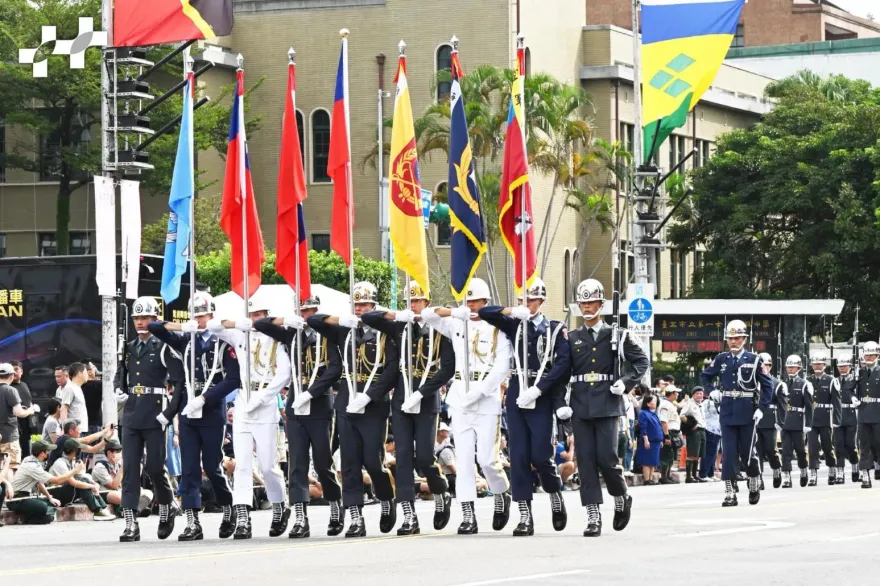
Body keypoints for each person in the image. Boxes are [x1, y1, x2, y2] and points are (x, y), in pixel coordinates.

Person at [477, 277, 570, 536]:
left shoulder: (554, 328)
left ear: (541, 300)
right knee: (517, 457)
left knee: (541, 456)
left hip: (541, 392)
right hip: (518, 389)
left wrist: (539, 389)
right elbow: (485, 312)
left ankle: (554, 494)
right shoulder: (514, 325)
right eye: (523, 300)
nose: (527, 304)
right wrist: (510, 310)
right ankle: (525, 515)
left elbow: (562, 364)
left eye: (531, 299)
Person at [421, 277, 513, 535]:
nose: (472, 306)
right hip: (460, 396)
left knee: (487, 460)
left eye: (476, 301)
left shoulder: (499, 330)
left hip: (486, 399)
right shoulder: (456, 323)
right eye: (468, 301)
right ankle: (468, 514)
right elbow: (428, 314)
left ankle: (501, 493)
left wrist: (481, 392)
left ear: (486, 302)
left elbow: (502, 367)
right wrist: (453, 311)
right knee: (463, 462)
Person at [362, 281, 454, 535]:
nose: (413, 305)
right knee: (402, 458)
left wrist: (423, 392)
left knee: (424, 457)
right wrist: (395, 315)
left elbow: (447, 368)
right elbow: (370, 316)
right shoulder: (400, 326)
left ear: (427, 301)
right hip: (402, 401)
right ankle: (408, 515)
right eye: (409, 301)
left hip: (425, 401)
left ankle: (440, 491)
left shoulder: (439, 329)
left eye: (418, 301)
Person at [308, 281, 398, 538]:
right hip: (347, 402)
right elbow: (314, 321)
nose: (360, 309)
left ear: (373, 305)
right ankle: (355, 516)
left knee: (373, 461)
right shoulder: (345, 330)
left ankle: (385, 498)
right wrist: (342, 319)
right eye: (356, 305)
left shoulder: (385, 333)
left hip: (373, 405)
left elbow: (391, 369)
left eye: (365, 305)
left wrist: (371, 396)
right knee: (349, 463)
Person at [149, 291, 241, 542]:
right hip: (189, 412)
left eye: (203, 315)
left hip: (211, 410)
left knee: (212, 465)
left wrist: (206, 398)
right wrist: (181, 326)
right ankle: (193, 522)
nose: (200, 320)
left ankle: (228, 507)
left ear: (212, 315)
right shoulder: (185, 341)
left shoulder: (223, 343)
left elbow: (233, 379)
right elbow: (155, 327)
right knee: (189, 467)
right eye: (196, 316)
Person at [253, 295, 346, 539]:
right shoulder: (292, 334)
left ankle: (335, 505)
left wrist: (312, 392)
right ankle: (300, 517)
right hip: (296, 404)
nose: (307, 315)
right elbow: (261, 324)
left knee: (323, 461)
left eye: (311, 311)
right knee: (297, 464)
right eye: (303, 311)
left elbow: (335, 368)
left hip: (319, 403)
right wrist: (286, 320)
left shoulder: (327, 334)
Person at [564, 279, 648, 537]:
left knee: (608, 460)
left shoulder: (618, 335)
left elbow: (641, 362)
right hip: (580, 405)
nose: (588, 307)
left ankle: (621, 495)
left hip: (608, 404)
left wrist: (625, 383)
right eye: (583, 303)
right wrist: (561, 404)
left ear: (601, 304)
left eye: (592, 302)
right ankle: (593, 515)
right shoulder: (572, 337)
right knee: (585, 462)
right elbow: (561, 372)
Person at [207, 295, 292, 540]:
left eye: (261, 315)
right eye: (253, 315)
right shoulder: (241, 335)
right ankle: (243, 515)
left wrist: (264, 397)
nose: (257, 319)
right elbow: (213, 325)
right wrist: (236, 323)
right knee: (242, 463)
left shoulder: (277, 340)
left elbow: (284, 374)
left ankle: (279, 505)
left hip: (264, 404)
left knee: (267, 465)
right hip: (244, 401)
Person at [114, 296, 181, 542]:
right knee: (130, 469)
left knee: (154, 467)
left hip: (155, 413)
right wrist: (118, 389)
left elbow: (178, 383)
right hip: (131, 413)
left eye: (146, 318)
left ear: (155, 320)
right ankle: (131, 523)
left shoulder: (163, 347)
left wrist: (169, 413)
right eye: (137, 318)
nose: (141, 322)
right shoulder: (129, 347)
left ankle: (166, 505)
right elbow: (120, 375)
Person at [700, 320, 773, 507]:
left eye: (737, 338)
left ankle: (754, 479)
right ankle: (730, 492)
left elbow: (767, 386)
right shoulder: (721, 359)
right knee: (729, 452)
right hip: (727, 410)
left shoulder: (754, 360)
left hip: (748, 410)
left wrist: (761, 409)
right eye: (731, 338)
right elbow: (705, 375)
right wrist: (711, 390)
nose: (733, 341)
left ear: (744, 339)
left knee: (748, 451)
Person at [7, 439, 80, 524]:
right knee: (43, 506)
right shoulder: (32, 466)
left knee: (50, 503)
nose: (48, 454)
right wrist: (75, 471)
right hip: (17, 499)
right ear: (42, 454)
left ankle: (38, 517)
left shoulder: (30, 459)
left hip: (24, 497)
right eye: (47, 452)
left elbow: (39, 482)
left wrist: (50, 497)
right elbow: (57, 480)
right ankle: (32, 518)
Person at [47, 437, 115, 520]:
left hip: (64, 491)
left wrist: (93, 484)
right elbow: (72, 482)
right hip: (54, 494)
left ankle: (102, 508)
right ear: (74, 451)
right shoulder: (60, 463)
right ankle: (97, 511)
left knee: (85, 481)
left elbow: (82, 476)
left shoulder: (72, 461)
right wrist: (90, 486)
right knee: (82, 484)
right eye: (78, 449)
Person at [778, 355, 813, 488]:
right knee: (786, 452)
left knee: (800, 451)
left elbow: (809, 406)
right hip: (785, 422)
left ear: (798, 368)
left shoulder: (804, 384)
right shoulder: (783, 383)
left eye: (792, 367)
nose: (790, 369)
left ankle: (803, 470)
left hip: (798, 422)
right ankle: (787, 477)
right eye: (788, 367)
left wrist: (808, 424)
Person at [806, 352, 840, 486]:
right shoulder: (808, 380)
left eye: (819, 364)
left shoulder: (831, 380)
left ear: (824, 365)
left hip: (826, 418)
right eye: (814, 364)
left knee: (827, 446)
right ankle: (813, 474)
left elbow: (836, 402)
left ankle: (832, 470)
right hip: (812, 418)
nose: (817, 366)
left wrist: (836, 420)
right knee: (812, 447)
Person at [0, 363, 40, 472]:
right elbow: (19, 413)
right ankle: (9, 489)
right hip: (8, 437)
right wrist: (30, 410)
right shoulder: (10, 390)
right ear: (11, 376)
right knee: (10, 467)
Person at [754, 353, 784, 489]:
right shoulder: (752, 381)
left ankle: (776, 468)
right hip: (754, 420)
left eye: (766, 365)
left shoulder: (776, 383)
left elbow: (783, 405)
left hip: (769, 419)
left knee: (770, 449)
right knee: (757, 451)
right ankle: (759, 478)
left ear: (770, 366)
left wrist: (780, 422)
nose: (763, 368)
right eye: (761, 365)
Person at [832, 354, 860, 485]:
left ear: (850, 367)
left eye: (845, 366)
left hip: (850, 414)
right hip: (838, 415)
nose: (842, 369)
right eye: (840, 367)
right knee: (838, 445)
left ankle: (855, 465)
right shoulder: (834, 381)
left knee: (850, 445)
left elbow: (857, 393)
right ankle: (840, 472)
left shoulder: (855, 380)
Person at [856, 341, 880, 488]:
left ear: (877, 356)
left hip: (878, 412)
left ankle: (877, 463)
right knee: (863, 445)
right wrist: (852, 396)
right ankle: (865, 475)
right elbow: (848, 387)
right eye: (867, 355)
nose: (869, 358)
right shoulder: (860, 372)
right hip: (864, 413)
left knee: (878, 443)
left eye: (872, 355)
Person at [679, 387, 708, 483]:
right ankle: (688, 476)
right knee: (692, 453)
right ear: (693, 394)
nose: (700, 395)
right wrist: (690, 424)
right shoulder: (689, 404)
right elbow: (682, 415)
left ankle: (695, 475)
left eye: (701, 393)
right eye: (697, 393)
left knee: (698, 454)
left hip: (702, 429)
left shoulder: (701, 405)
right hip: (694, 430)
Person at [657, 387, 682, 485]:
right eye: (676, 393)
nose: (678, 395)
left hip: (674, 432)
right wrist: (666, 436)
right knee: (666, 455)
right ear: (672, 393)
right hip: (668, 432)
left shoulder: (670, 404)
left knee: (671, 456)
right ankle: (663, 477)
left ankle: (668, 475)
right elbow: (664, 421)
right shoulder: (665, 405)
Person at [10, 361, 35, 459]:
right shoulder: (7, 388)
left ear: (22, 371)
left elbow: (28, 401)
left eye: (16, 369)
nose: (14, 373)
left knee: (26, 452)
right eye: (12, 370)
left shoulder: (24, 385)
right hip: (13, 426)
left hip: (26, 426)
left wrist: (32, 409)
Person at [636, 395, 662, 485]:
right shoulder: (643, 413)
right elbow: (643, 427)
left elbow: (659, 426)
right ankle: (647, 479)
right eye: (653, 401)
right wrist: (646, 440)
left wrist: (661, 439)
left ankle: (651, 478)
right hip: (648, 440)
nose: (655, 403)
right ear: (648, 403)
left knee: (653, 461)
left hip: (656, 440)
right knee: (646, 461)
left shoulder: (654, 413)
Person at [699, 387, 722, 481]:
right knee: (708, 453)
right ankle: (703, 474)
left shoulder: (717, 404)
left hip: (717, 431)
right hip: (710, 430)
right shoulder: (707, 404)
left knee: (713, 453)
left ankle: (710, 473)